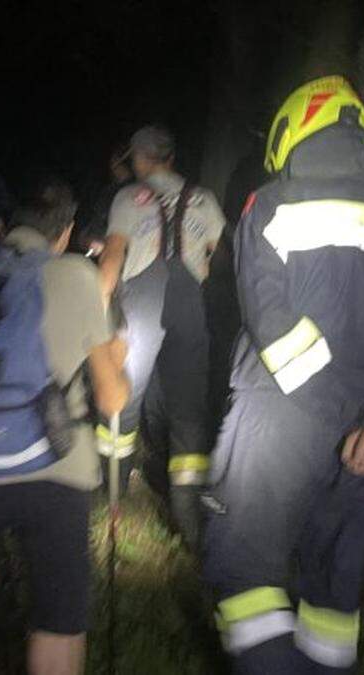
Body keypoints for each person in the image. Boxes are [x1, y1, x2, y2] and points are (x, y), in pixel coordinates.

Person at [201, 75, 364, 674]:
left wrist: (339, 410)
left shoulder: (271, 204)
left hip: (283, 423)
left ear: (291, 134)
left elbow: (271, 322)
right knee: (332, 601)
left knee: (240, 575)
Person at [0, 179, 130, 675]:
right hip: (51, 468)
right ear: (64, 234)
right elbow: (110, 397)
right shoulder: (77, 276)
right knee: (57, 619)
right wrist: (117, 363)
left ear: (4, 227)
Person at [96, 125, 226, 546]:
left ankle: (113, 493)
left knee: (125, 394)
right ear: (171, 158)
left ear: (138, 159)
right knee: (189, 410)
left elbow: (113, 257)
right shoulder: (204, 199)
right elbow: (220, 254)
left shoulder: (127, 198)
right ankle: (188, 517)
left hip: (142, 303)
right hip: (189, 304)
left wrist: (100, 314)